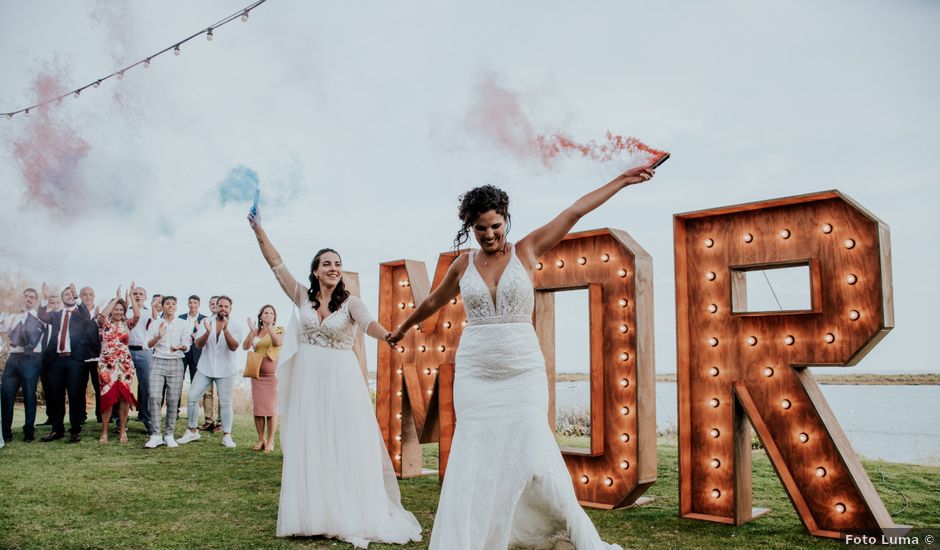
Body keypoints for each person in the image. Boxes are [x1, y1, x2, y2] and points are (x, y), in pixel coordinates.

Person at [386, 162, 658, 549]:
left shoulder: (527, 250)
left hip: (522, 372)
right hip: (476, 373)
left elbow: (574, 211)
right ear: (470, 226)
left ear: (506, 221)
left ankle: (560, 532)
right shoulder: (463, 264)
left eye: (496, 226)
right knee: (474, 457)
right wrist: (403, 327)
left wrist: (624, 180)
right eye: (481, 228)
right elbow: (434, 299)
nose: (490, 235)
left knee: (533, 450)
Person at [248, 210, 421, 547]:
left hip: (342, 380)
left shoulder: (351, 302)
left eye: (337, 263)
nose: (333, 268)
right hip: (310, 380)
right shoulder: (301, 296)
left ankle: (349, 509)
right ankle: (315, 512)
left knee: (345, 441)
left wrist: (387, 335)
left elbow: (369, 324)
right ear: (315, 271)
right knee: (312, 439)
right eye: (326, 263)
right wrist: (259, 230)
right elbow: (276, 263)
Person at [177, 296, 241, 448]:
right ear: (216, 307)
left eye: (226, 306)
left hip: (226, 370)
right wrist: (207, 332)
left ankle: (227, 435)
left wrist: (225, 330)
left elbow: (234, 347)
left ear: (230, 309)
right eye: (220, 306)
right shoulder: (206, 322)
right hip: (205, 367)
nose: (223, 309)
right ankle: (192, 430)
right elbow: (198, 345)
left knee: (225, 403)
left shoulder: (236, 325)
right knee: (192, 397)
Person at [38, 284, 96, 443]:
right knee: (56, 395)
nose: (69, 297)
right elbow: (42, 315)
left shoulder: (79, 314)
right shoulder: (56, 315)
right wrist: (45, 298)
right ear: (62, 299)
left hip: (74, 361)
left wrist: (77, 296)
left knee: (75, 395)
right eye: (66, 295)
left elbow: (86, 315)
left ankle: (75, 430)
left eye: (71, 295)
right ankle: (57, 429)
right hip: (56, 360)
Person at [0, 287, 47, 443]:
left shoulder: (39, 318)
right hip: (13, 358)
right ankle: (6, 433)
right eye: (25, 296)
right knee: (6, 396)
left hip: (31, 359)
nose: (28, 299)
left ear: (35, 300)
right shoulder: (12, 317)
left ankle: (29, 432)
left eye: (32, 297)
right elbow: (2, 328)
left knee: (29, 395)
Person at [95, 286, 141, 443]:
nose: (119, 312)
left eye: (121, 310)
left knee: (124, 398)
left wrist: (131, 297)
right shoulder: (104, 323)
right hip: (106, 364)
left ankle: (122, 431)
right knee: (107, 397)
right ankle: (105, 432)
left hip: (124, 364)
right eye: (116, 309)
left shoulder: (127, 324)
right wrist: (116, 298)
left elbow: (137, 315)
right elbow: (102, 315)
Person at [144, 296, 190, 449]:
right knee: (155, 396)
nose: (170, 306)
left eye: (173, 304)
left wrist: (179, 347)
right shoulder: (155, 324)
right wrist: (158, 336)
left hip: (176, 362)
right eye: (167, 304)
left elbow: (187, 345)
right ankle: (156, 435)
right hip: (158, 361)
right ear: (162, 307)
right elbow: (146, 345)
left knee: (172, 399)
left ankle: (169, 434)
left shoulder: (183, 324)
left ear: (176, 307)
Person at [241, 304, 283, 452]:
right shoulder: (256, 331)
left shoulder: (279, 330)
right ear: (260, 316)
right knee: (258, 408)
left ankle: (271, 440)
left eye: (271, 313)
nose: (268, 315)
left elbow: (278, 343)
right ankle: (261, 439)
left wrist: (269, 327)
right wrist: (252, 332)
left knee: (271, 409)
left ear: (274, 317)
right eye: (266, 313)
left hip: (272, 376)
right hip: (257, 374)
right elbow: (245, 346)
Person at [127, 285, 154, 433]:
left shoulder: (150, 313)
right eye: (135, 293)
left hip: (144, 352)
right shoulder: (125, 310)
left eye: (140, 294)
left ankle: (146, 417)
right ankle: (121, 420)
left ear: (145, 297)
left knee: (147, 387)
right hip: (127, 351)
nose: (137, 296)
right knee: (123, 386)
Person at [37, 293, 63, 427]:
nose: (55, 305)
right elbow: (41, 315)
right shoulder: (44, 320)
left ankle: (58, 419)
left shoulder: (61, 319)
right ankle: (50, 417)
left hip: (56, 360)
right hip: (43, 359)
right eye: (52, 303)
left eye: (57, 302)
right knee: (47, 389)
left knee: (56, 390)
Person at [79, 286, 103, 424]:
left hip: (97, 356)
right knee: (79, 387)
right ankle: (81, 415)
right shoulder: (76, 312)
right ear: (80, 296)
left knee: (99, 386)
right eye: (84, 294)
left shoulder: (100, 312)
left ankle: (101, 415)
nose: (87, 297)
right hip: (81, 356)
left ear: (94, 296)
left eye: (90, 294)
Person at [199, 295, 222, 432]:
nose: (214, 305)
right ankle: (209, 421)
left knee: (222, 394)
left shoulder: (228, 321)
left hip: (222, 364)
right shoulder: (205, 321)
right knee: (207, 393)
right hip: (207, 362)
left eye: (216, 303)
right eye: (211, 303)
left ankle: (221, 423)